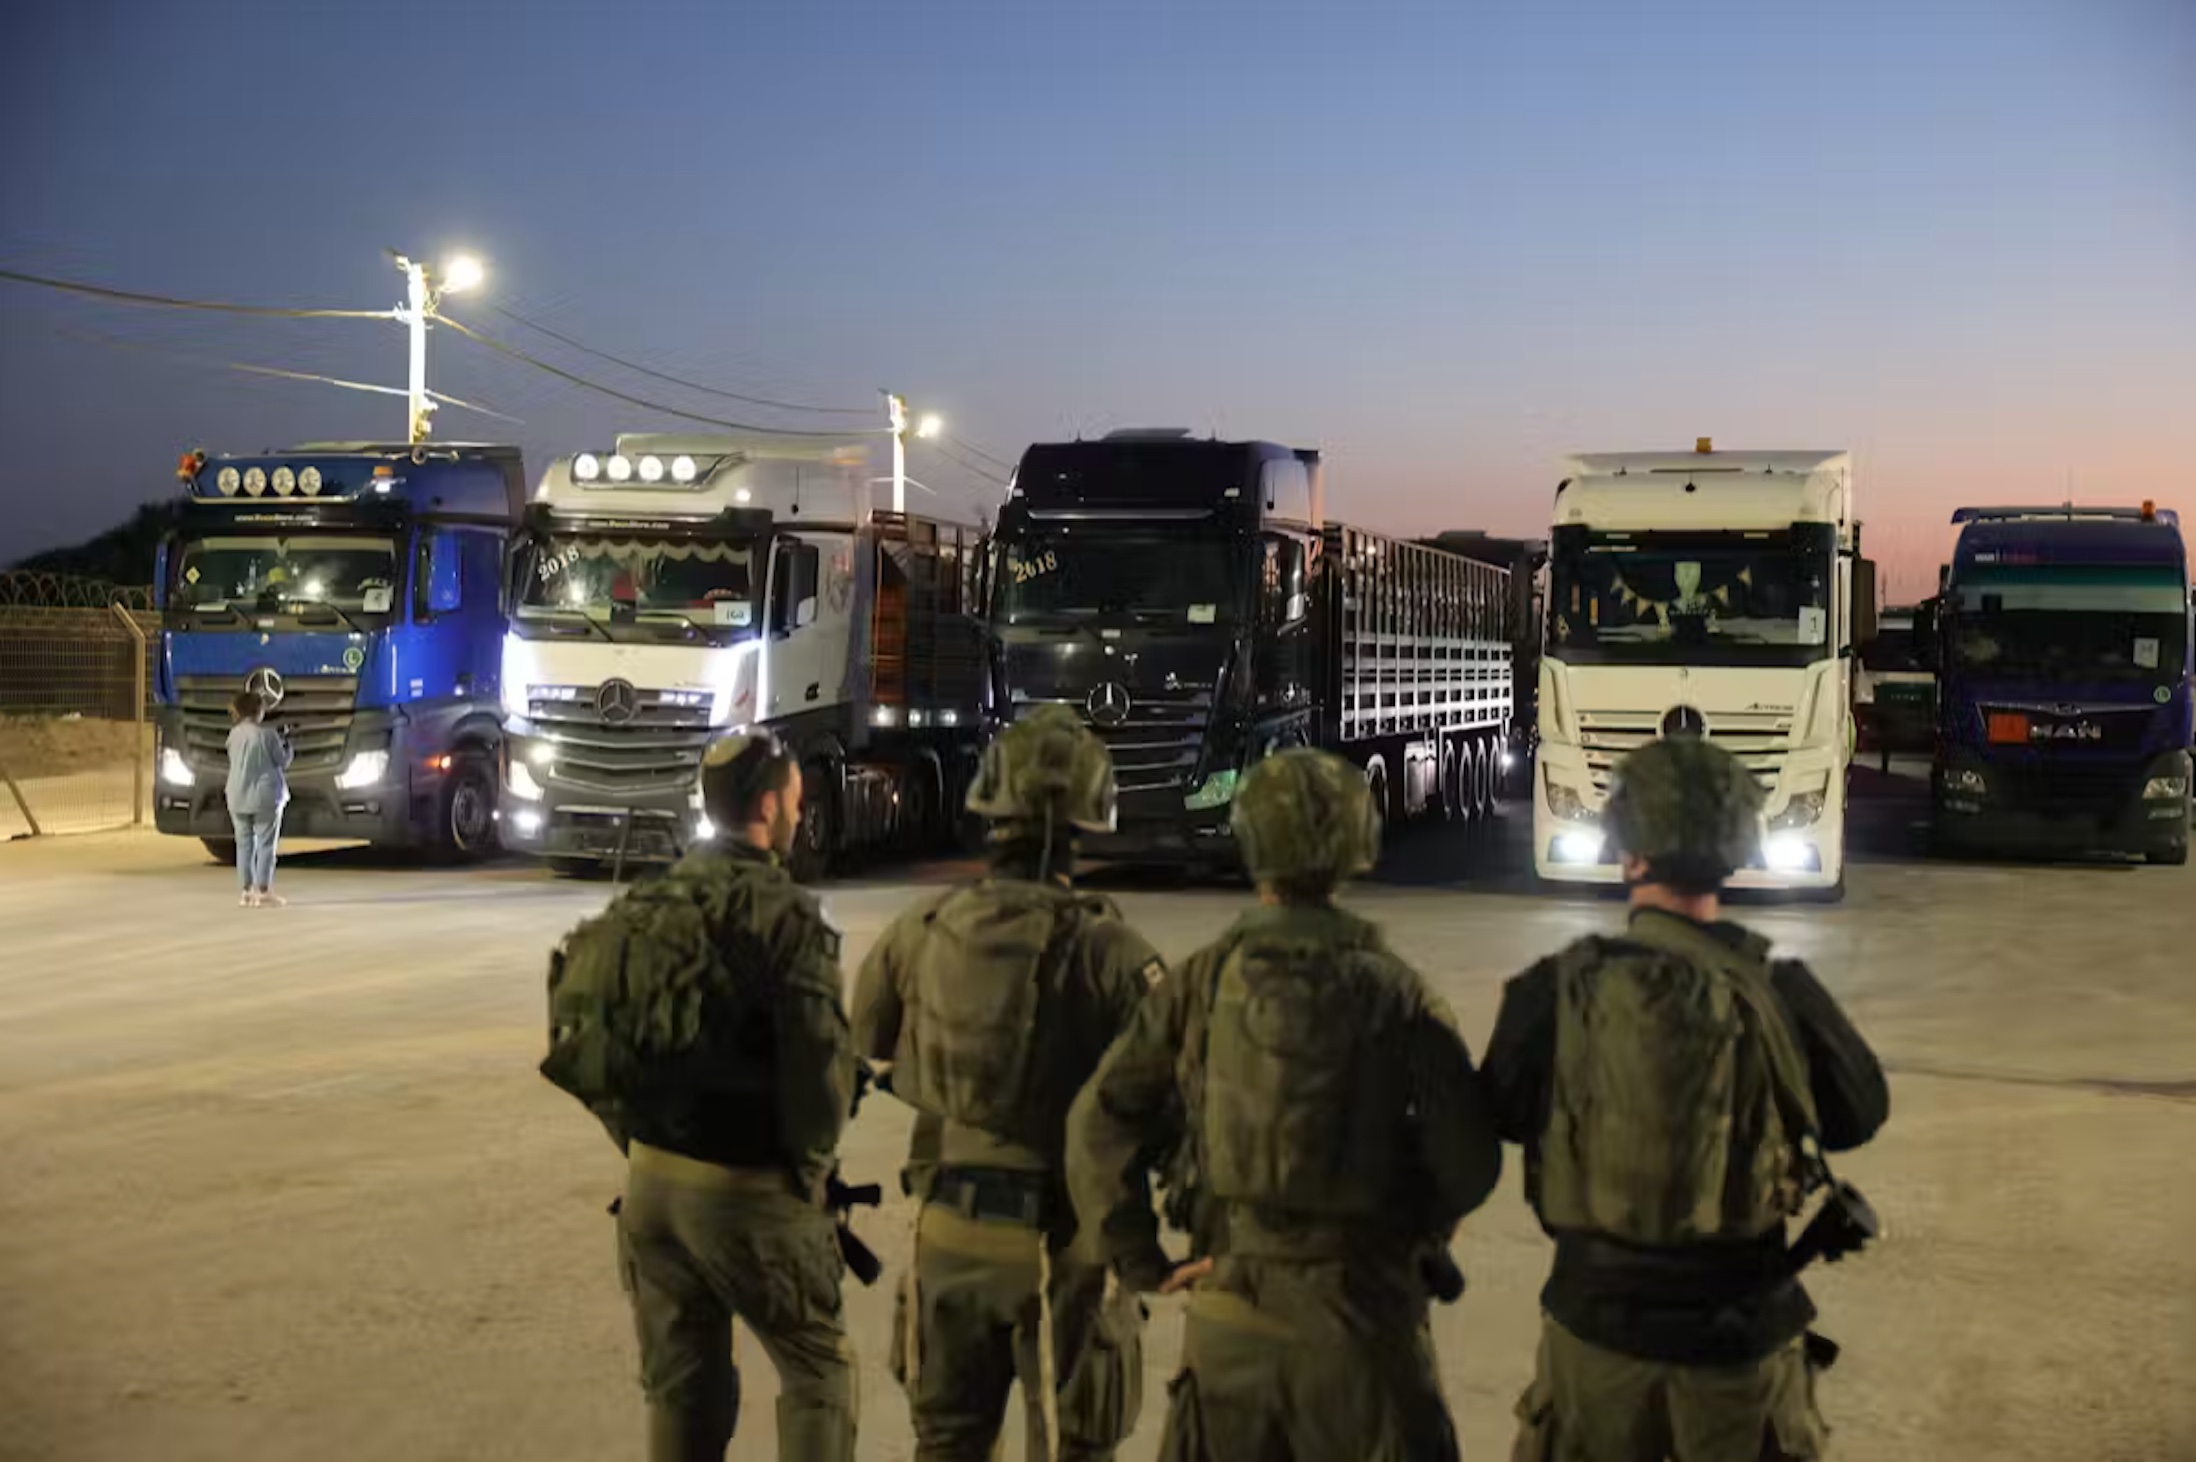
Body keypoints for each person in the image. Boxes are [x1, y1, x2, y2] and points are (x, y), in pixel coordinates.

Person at [1066, 747, 1504, 1462]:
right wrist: (1414, 1237)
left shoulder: (1200, 982)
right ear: (1356, 842)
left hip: (1234, 1319)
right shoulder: (1398, 992)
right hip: (1369, 1323)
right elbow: (1471, 1161)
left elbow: (1100, 1122)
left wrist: (1141, 1258)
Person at [1482, 734, 1890, 1462]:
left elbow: (1500, 1115)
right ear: (1735, 850)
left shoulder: (1553, 989)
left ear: (1626, 850)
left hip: (1595, 1337)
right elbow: (1860, 1115)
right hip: (1738, 1346)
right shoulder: (1780, 991)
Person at [852, 704, 1165, 1462]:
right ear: (1093, 815)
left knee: (949, 1445)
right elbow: (1172, 1098)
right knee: (1076, 1447)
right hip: (1067, 1247)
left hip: (952, 1236)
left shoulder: (918, 931)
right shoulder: (1114, 952)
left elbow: (869, 1046)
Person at [539, 731, 859, 1462]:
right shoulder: (788, 917)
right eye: (797, 804)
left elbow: (588, 1035)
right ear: (771, 806)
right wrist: (809, 1173)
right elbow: (817, 1075)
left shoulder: (644, 902)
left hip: (650, 1192)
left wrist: (641, 1147)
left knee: (684, 1388)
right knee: (819, 1370)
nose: (801, 818)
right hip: (746, 1195)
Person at [224, 690, 291, 907]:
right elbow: (282, 761)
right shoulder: (268, 735)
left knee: (243, 844)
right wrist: (288, 746)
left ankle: (245, 892)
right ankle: (263, 890)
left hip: (236, 794)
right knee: (265, 844)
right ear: (258, 711)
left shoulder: (232, 735)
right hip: (265, 796)